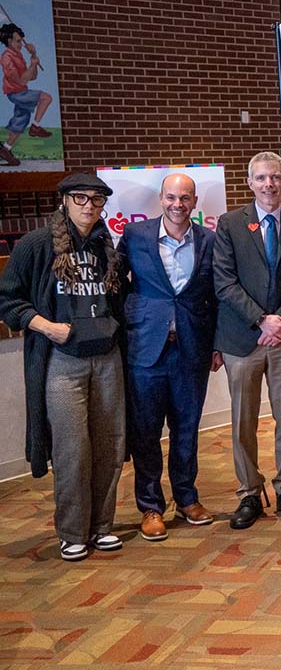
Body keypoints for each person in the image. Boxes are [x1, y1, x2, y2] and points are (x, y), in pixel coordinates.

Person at [0, 173, 124, 561]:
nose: (90, 206)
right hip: (62, 362)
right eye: (81, 198)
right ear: (65, 201)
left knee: (110, 446)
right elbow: (8, 301)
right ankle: (72, 532)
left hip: (107, 358)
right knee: (72, 450)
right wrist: (46, 327)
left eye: (97, 200)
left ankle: (102, 526)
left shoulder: (106, 245)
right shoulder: (37, 245)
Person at [118, 173, 221, 542]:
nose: (178, 205)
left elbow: (217, 294)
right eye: (171, 198)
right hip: (146, 349)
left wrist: (217, 344)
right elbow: (118, 285)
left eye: (185, 198)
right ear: (161, 199)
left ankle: (187, 498)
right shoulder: (135, 236)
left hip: (192, 348)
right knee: (146, 432)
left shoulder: (209, 240)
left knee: (186, 429)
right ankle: (150, 507)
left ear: (195, 203)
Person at [213, 151, 281, 529]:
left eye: (275, 178)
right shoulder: (229, 224)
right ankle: (249, 492)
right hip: (243, 339)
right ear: (249, 183)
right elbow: (223, 281)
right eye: (261, 178)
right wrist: (261, 319)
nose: (269, 184)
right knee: (243, 421)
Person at [0, 23, 53, 167]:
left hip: (21, 91)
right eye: (18, 41)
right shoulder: (6, 58)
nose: (21, 44)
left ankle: (5, 149)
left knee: (21, 121)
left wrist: (33, 57)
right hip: (16, 93)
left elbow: (32, 77)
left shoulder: (19, 55)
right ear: (9, 41)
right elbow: (21, 79)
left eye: (21, 41)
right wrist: (32, 65)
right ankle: (35, 128)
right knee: (46, 97)